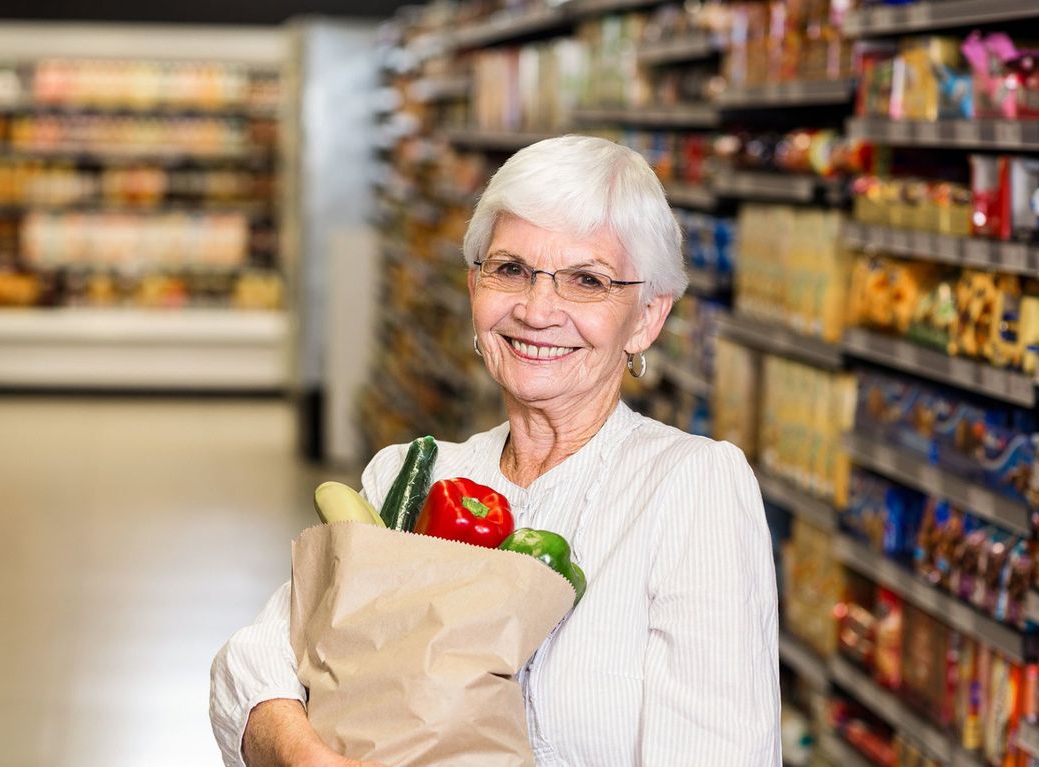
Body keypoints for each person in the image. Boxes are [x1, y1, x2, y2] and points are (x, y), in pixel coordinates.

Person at [210, 134, 782, 766]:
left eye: (586, 280)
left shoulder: (690, 487)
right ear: (474, 286)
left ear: (647, 317)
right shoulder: (411, 477)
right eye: (510, 269)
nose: (538, 310)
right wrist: (304, 756)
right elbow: (255, 663)